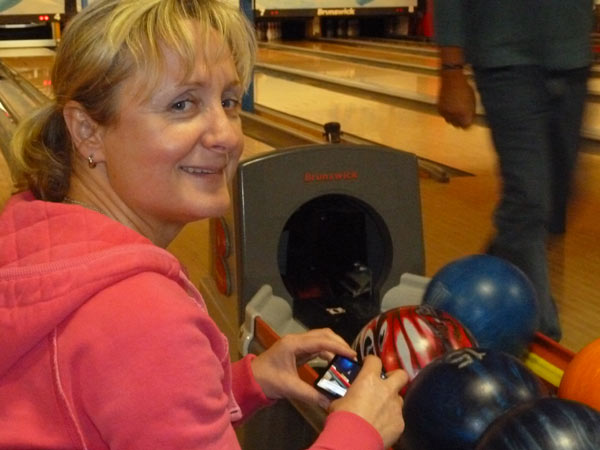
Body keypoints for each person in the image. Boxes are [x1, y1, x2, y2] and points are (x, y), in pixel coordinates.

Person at [0, 1, 408, 449]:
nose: (227, 136)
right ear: (86, 131)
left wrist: (245, 382)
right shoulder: (142, 318)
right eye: (182, 104)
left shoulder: (33, 236)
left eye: (229, 101)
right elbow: (136, 346)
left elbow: (112, 408)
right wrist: (360, 431)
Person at [433, 0, 594, 341]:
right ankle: (541, 339)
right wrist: (451, 70)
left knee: (552, 206)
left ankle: (472, 292)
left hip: (573, 57)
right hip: (504, 59)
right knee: (529, 202)